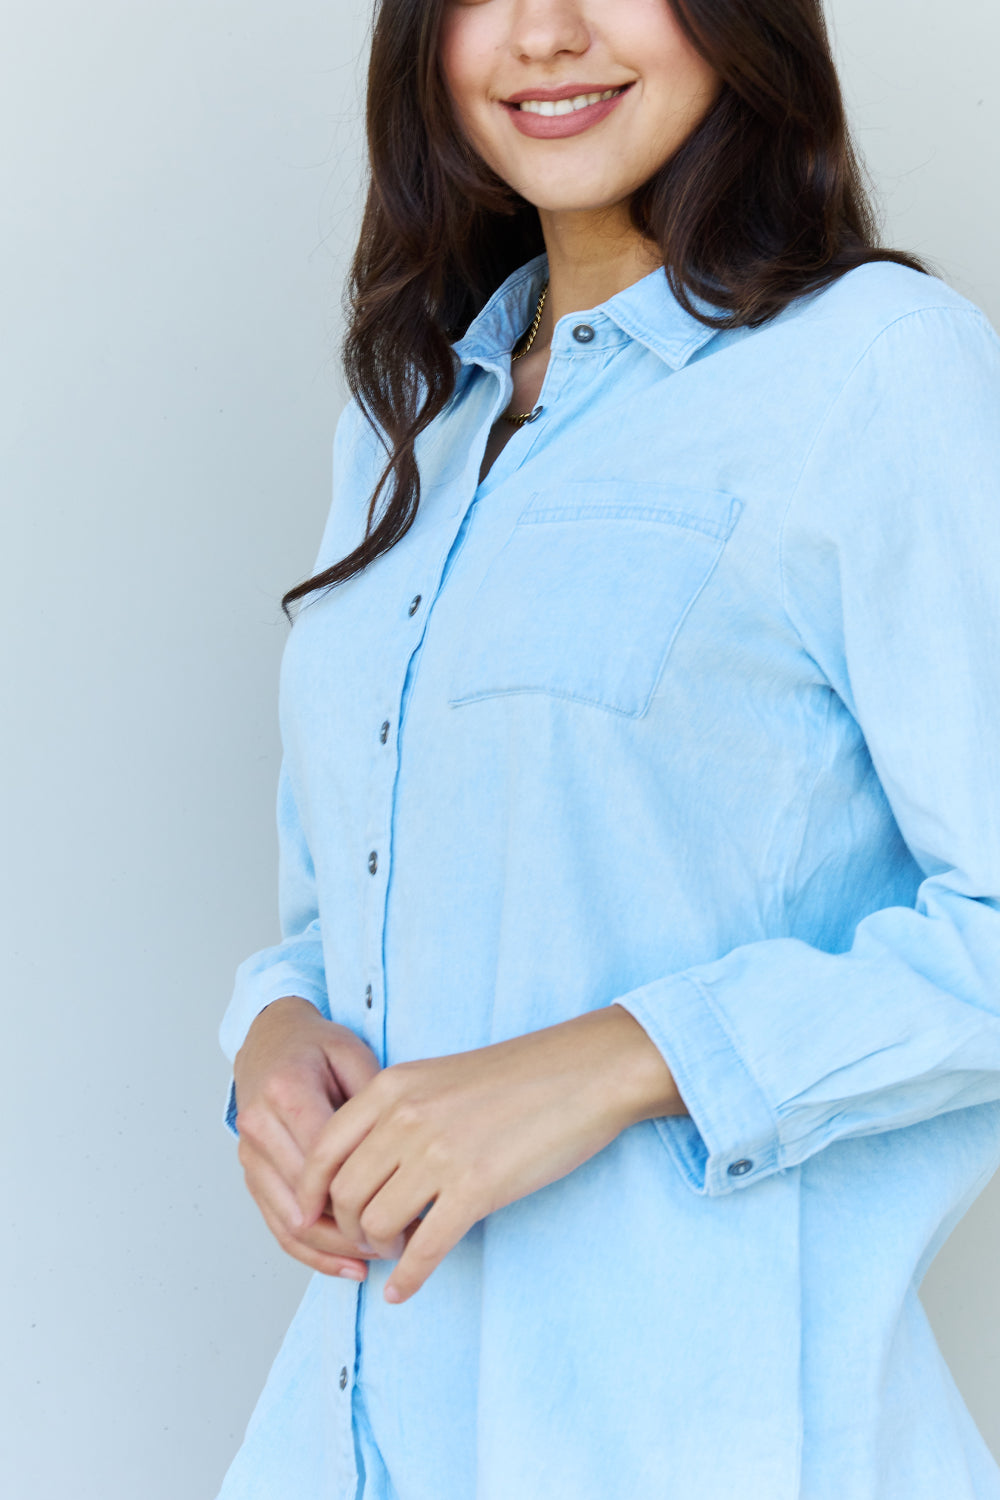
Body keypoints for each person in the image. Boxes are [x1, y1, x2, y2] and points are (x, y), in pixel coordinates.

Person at [215, 1, 1000, 1496]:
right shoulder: (407, 424)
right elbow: (340, 908)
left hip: (704, 1442)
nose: (547, 33)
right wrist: (272, 1035)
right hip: (346, 1436)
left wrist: (615, 1063)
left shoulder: (880, 373)